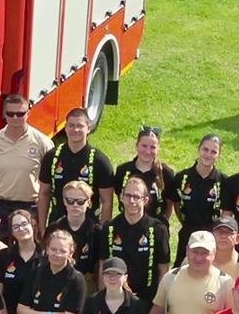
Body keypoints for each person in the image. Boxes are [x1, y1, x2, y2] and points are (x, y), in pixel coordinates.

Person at [38, 107, 116, 227]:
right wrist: (42, 227)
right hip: (58, 224)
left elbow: (107, 202)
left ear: (88, 128)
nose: (75, 130)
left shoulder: (100, 161)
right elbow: (44, 193)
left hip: (89, 226)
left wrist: (104, 232)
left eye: (80, 126)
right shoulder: (51, 157)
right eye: (71, 125)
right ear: (65, 127)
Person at [0, 93, 53, 223]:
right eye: (10, 114)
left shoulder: (43, 142)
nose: (15, 117)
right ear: (4, 114)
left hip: (30, 206)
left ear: (28, 113)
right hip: (1, 206)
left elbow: (48, 179)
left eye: (20, 114)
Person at [107, 175, 171, 304]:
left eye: (137, 197)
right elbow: (103, 264)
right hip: (116, 299)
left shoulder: (158, 229)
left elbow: (163, 269)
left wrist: (159, 303)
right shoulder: (110, 228)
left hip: (147, 299)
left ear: (145, 200)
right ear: (121, 197)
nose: (132, 201)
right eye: (128, 196)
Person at [167, 134, 225, 266]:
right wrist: (185, 222)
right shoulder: (182, 178)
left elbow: (226, 211)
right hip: (187, 233)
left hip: (211, 236)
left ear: (219, 155)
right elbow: (175, 202)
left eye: (213, 152)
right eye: (205, 149)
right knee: (181, 270)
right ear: (199, 149)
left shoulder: (222, 181)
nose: (208, 154)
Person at [114, 125, 175, 232]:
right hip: (128, 227)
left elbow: (170, 204)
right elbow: (120, 196)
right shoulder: (123, 171)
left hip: (156, 229)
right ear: (136, 145)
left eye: (152, 147)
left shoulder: (166, 173)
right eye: (144, 146)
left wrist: (162, 226)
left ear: (158, 148)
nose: (148, 151)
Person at [0, 209, 42, 314]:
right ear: (12, 232)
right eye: (16, 226)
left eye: (24, 224)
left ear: (33, 225)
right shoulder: (3, 256)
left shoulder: (46, 256)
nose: (21, 229)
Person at [47, 179, 103, 282]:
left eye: (80, 201)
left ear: (88, 202)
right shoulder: (54, 229)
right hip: (57, 278)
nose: (75, 205)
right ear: (64, 201)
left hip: (87, 279)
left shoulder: (96, 231)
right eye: (70, 200)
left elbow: (101, 263)